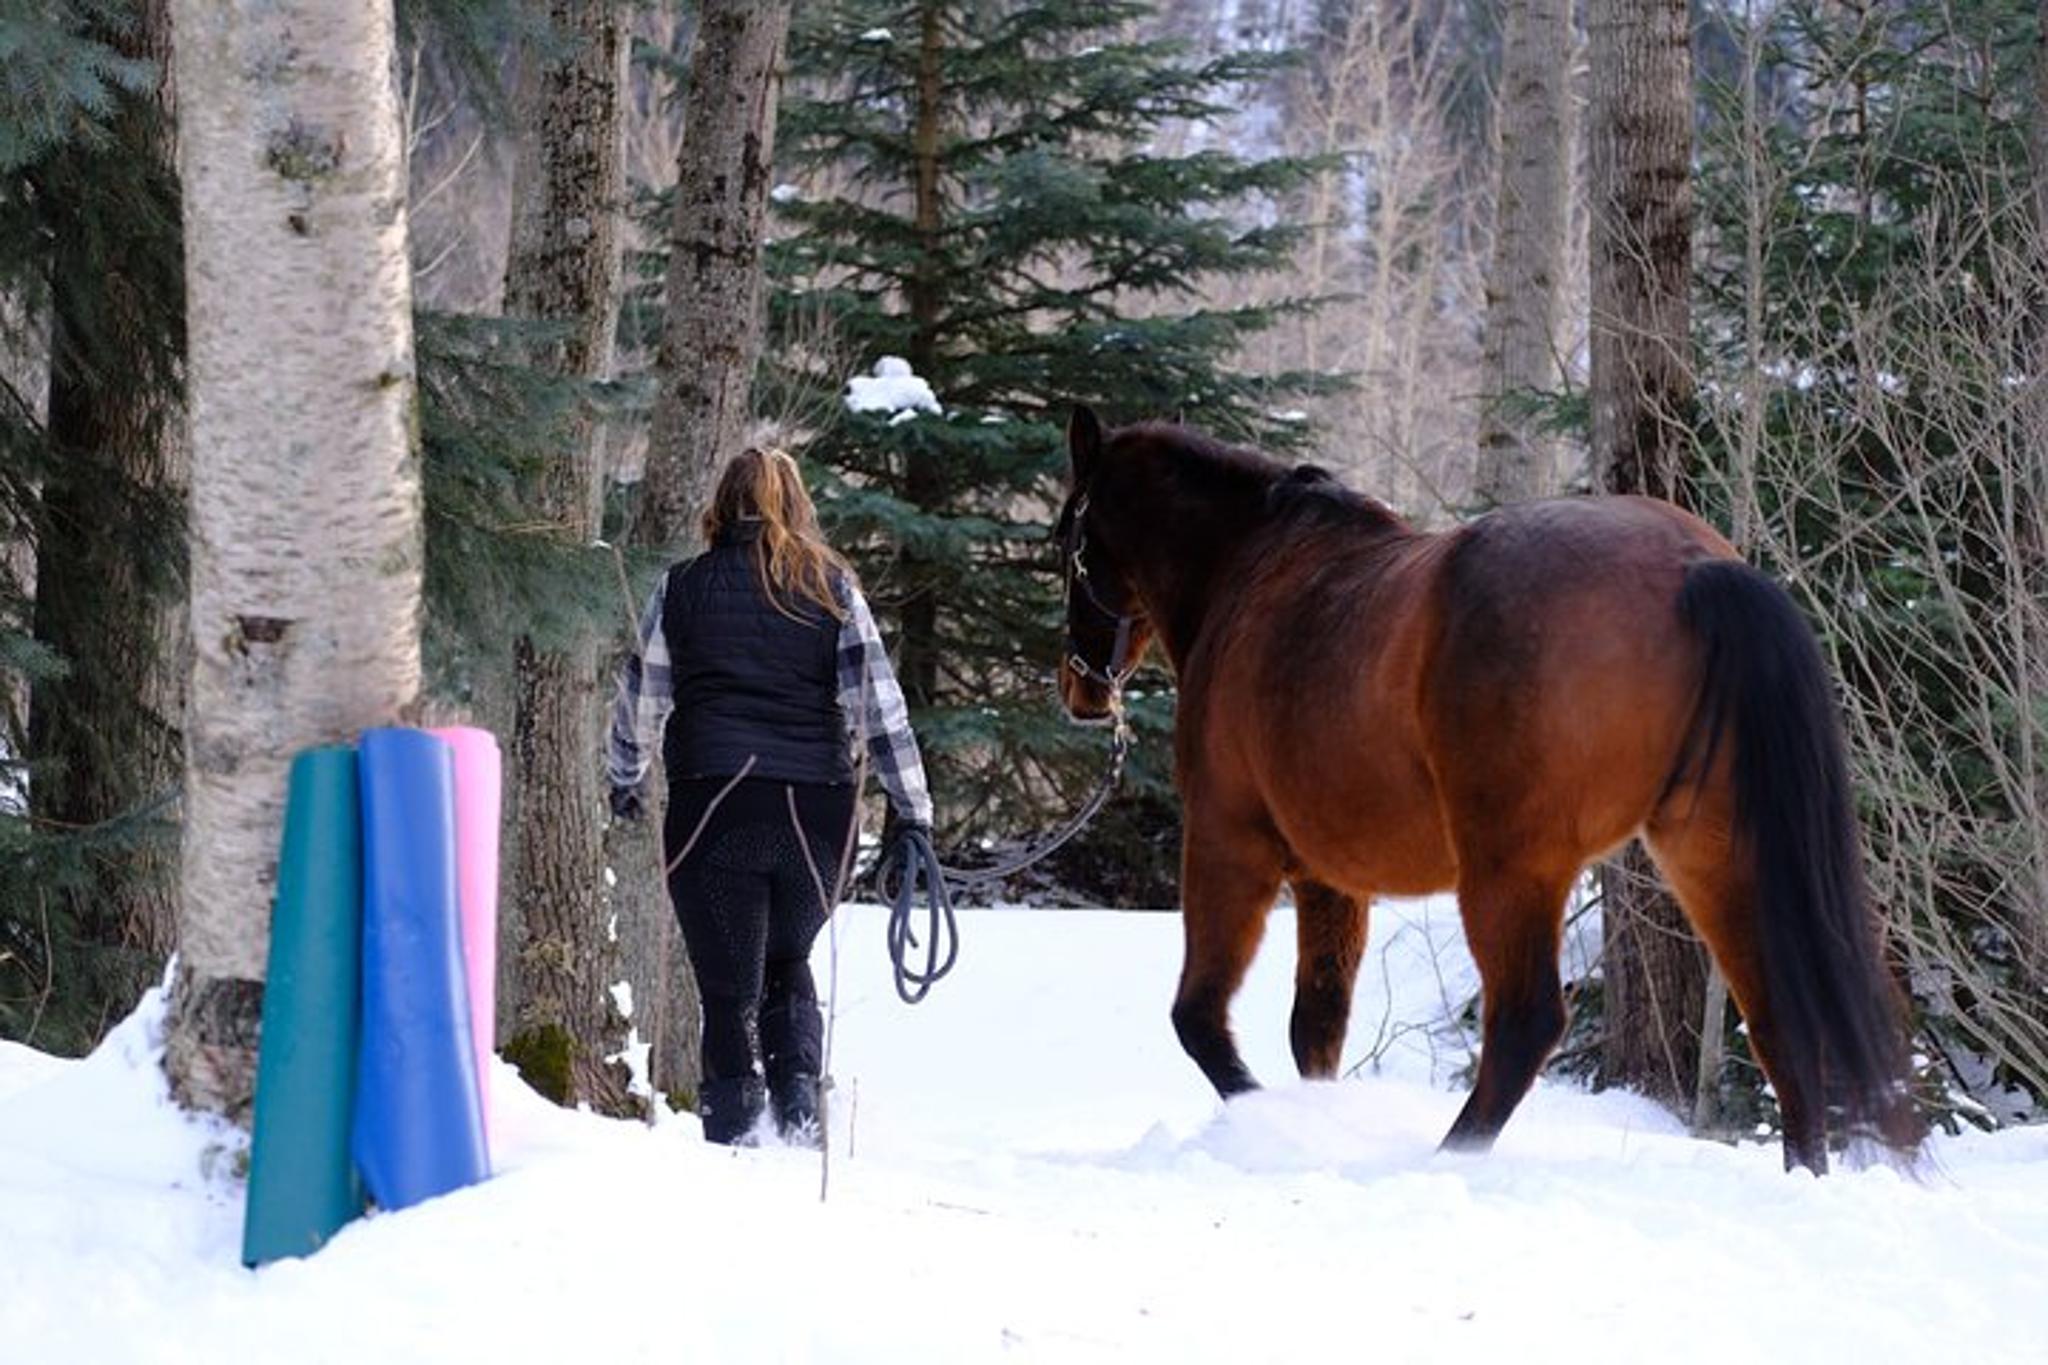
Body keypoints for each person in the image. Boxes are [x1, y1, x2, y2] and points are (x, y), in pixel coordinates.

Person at [608, 447, 933, 1146]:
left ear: (720, 507)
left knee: (728, 991)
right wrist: (914, 812)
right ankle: (802, 1119)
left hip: (712, 811)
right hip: (815, 816)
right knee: (789, 959)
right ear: (798, 506)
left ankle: (737, 1138)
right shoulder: (832, 588)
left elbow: (640, 699)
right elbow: (882, 707)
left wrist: (626, 777)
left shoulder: (681, 588)